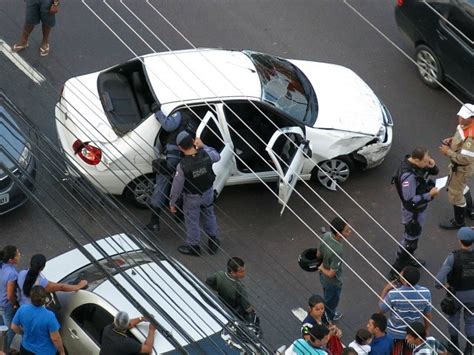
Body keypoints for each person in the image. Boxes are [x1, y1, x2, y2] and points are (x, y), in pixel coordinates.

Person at [390, 147, 439, 277]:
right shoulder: (408, 177)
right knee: (410, 239)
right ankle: (396, 268)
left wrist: (432, 166)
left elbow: (433, 172)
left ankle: (409, 257)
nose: (426, 164)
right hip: (413, 213)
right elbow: (411, 201)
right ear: (416, 160)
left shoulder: (415, 165)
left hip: (420, 209)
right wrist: (430, 195)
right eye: (425, 161)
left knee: (414, 238)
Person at [169, 132, 221, 256]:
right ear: (193, 141)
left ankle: (194, 247)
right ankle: (213, 241)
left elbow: (176, 187)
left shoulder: (182, 166)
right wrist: (203, 146)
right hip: (208, 192)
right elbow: (217, 156)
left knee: (192, 221)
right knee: (209, 214)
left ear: (180, 148)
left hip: (192, 198)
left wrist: (172, 203)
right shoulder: (207, 154)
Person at [146, 106, 194, 232]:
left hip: (172, 158)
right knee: (180, 185)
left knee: (161, 185)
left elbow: (169, 126)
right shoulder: (193, 118)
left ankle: (154, 222)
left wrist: (157, 111)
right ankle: (178, 215)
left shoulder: (180, 113)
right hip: (185, 158)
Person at [435, 226, 474, 354]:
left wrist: (447, 286)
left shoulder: (453, 257)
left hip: (456, 295)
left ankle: (454, 345)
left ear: (459, 240)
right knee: (471, 321)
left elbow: (438, 281)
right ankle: (469, 349)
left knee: (454, 320)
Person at [378, 266, 432, 355]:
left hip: (394, 333)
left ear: (404, 280)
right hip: (413, 332)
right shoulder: (426, 293)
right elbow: (428, 314)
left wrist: (385, 289)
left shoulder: (394, 294)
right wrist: (426, 329)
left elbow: (382, 308)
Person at [439, 103, 474, 229]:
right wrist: (452, 140)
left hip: (461, 169)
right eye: (460, 116)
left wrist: (447, 152)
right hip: (461, 168)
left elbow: (465, 159)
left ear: (472, 117)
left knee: (455, 194)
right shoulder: (465, 125)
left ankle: (459, 222)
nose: (460, 119)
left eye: (464, 117)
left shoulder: (471, 137)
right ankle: (471, 211)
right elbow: (459, 136)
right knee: (462, 186)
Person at [11, 285, 65, 355]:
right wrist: (62, 351)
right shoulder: (49, 316)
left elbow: (14, 327)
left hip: (26, 349)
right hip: (45, 351)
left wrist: (23, 333)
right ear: (45, 298)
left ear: (30, 297)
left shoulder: (22, 309)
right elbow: (55, 338)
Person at [316, 217, 351, 321]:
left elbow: (318, 254)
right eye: (347, 230)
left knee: (327, 296)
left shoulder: (326, 235)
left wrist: (322, 265)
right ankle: (329, 317)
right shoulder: (338, 250)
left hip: (323, 278)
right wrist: (322, 268)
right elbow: (332, 274)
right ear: (338, 234)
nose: (350, 232)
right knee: (331, 302)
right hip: (333, 282)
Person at [17, 254, 88, 305]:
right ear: (42, 268)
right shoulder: (41, 283)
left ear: (30, 263)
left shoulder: (21, 274)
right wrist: (78, 286)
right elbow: (61, 287)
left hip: (22, 305)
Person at [205, 257, 256, 323]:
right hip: (234, 309)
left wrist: (217, 289)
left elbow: (208, 281)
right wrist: (251, 311)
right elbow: (245, 305)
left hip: (221, 302)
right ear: (232, 272)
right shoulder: (239, 287)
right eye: (241, 271)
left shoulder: (219, 274)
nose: (244, 273)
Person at [0, 245, 21, 351]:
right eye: (17, 254)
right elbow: (10, 295)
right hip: (6, 305)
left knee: (2, 325)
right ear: (11, 260)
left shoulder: (2, 265)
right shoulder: (12, 274)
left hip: (0, 302)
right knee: (11, 329)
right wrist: (15, 303)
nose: (20, 255)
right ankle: (4, 350)